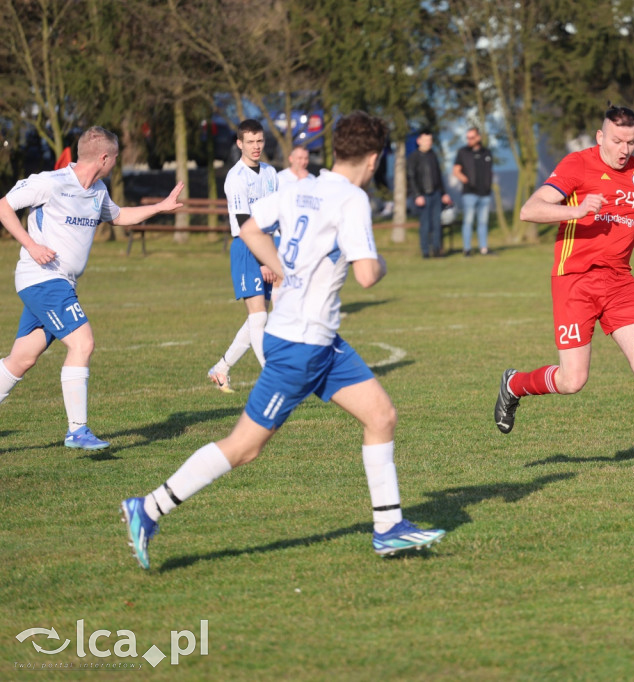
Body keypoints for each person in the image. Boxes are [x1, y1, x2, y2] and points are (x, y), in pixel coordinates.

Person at [120, 111, 446, 569]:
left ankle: (389, 528)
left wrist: (281, 266)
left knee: (382, 415)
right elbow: (369, 276)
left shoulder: (299, 187)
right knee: (245, 447)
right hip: (299, 346)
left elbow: (249, 228)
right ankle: (149, 507)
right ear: (373, 159)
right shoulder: (351, 199)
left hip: (319, 341)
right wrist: (380, 261)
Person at [493, 106, 634, 481]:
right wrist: (574, 210)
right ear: (600, 136)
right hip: (575, 281)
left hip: (620, 281)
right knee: (573, 381)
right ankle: (514, 384)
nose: (624, 149)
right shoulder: (578, 165)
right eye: (617, 141)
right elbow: (530, 210)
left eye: (631, 141)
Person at [0, 126, 184, 450]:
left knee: (22, 359)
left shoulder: (98, 191)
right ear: (103, 157)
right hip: (44, 279)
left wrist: (159, 207)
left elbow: (119, 215)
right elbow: (4, 206)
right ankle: (77, 430)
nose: (115, 165)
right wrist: (31, 245)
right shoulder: (50, 182)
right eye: (114, 159)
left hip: (59, 283)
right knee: (83, 343)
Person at [207, 119, 280, 392]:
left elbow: (277, 215)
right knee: (259, 316)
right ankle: (273, 380)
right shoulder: (236, 178)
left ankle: (221, 369)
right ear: (240, 144)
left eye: (259, 140)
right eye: (250, 142)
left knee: (256, 319)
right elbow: (245, 223)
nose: (256, 146)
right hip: (247, 248)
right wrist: (264, 260)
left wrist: (275, 254)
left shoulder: (271, 173)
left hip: (268, 247)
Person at [407, 129, 451, 258]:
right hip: (423, 195)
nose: (428, 143)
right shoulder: (414, 157)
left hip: (436, 194)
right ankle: (425, 251)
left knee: (437, 224)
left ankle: (437, 249)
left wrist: (444, 193)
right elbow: (411, 177)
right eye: (426, 140)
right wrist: (417, 195)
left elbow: (438, 176)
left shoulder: (433, 155)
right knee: (425, 224)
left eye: (430, 140)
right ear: (419, 141)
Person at [453, 126, 494, 256]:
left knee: (483, 222)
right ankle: (467, 249)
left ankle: (483, 248)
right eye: (467, 137)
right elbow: (456, 171)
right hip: (469, 193)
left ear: (478, 137)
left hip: (485, 193)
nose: (469, 140)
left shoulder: (486, 152)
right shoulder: (463, 152)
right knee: (468, 221)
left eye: (472, 137)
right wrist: (467, 181)